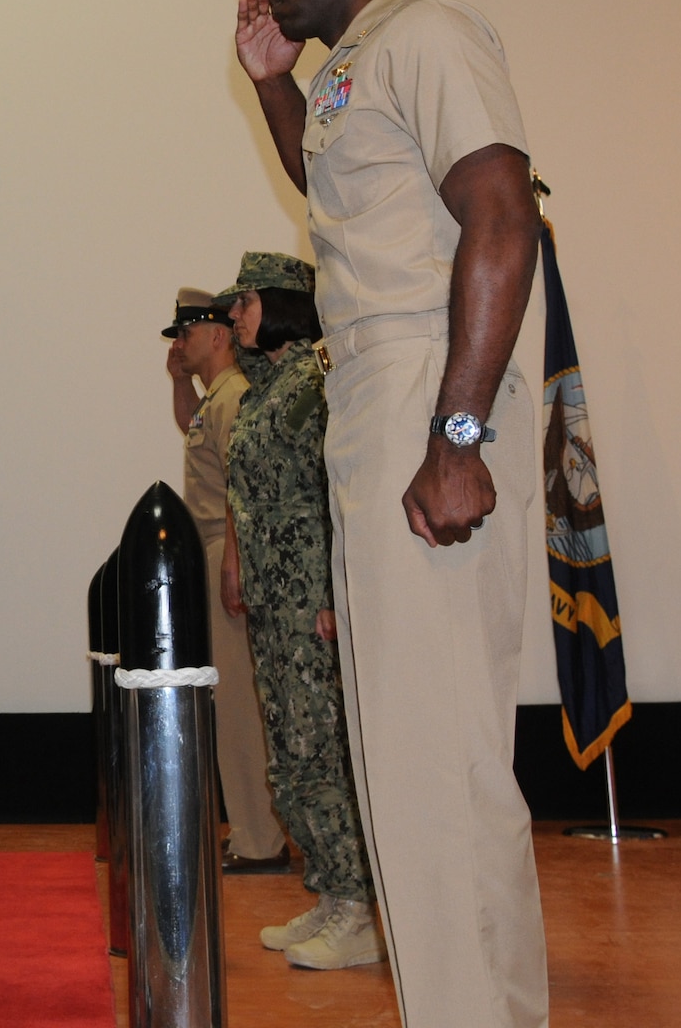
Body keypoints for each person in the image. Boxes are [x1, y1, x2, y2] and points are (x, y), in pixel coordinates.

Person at [234, 0, 546, 1024]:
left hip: (426, 377)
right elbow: (338, 205)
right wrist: (272, 83)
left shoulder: (427, 36)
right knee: (400, 752)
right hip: (376, 389)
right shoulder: (349, 68)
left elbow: (501, 219)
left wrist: (455, 430)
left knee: (441, 758)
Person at [214, 254, 380, 969]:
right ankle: (332, 891)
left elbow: (338, 488)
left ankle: (363, 906)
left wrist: (332, 593)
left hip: (310, 596)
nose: (234, 316)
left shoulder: (316, 381)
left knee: (321, 750)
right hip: (276, 599)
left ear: (284, 303)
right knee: (289, 755)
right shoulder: (265, 387)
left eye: (245, 303)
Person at [162, 288, 286, 872]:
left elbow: (243, 486)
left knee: (238, 703)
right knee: (232, 698)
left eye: (185, 334)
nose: (178, 345)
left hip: (224, 551)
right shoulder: (216, 398)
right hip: (216, 550)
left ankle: (259, 841)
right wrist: (177, 381)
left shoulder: (234, 395)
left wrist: (233, 562)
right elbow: (195, 432)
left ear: (216, 335)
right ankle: (255, 833)